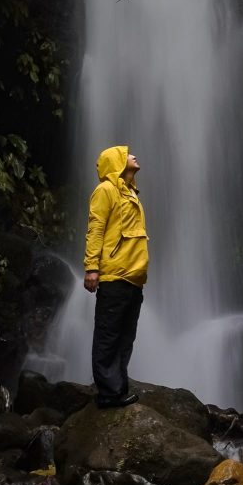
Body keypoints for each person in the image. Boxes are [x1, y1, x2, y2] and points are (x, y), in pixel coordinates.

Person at [83, 145, 149, 408]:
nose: (133, 155)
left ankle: (118, 387)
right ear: (117, 162)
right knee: (108, 335)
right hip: (114, 275)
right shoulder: (106, 191)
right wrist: (92, 268)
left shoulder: (131, 193)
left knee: (125, 336)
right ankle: (108, 393)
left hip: (133, 277)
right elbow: (95, 229)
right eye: (127, 154)